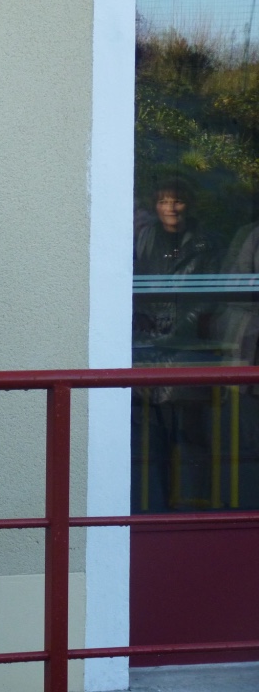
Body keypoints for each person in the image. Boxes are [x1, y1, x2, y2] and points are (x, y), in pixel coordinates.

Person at [131, 174, 221, 509]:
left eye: (178, 200)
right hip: (147, 348)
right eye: (164, 201)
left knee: (191, 433)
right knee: (153, 436)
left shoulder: (205, 243)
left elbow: (210, 298)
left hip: (190, 350)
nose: (171, 208)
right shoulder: (145, 237)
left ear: (191, 204)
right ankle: (155, 502)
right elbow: (134, 284)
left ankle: (197, 504)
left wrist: (179, 328)